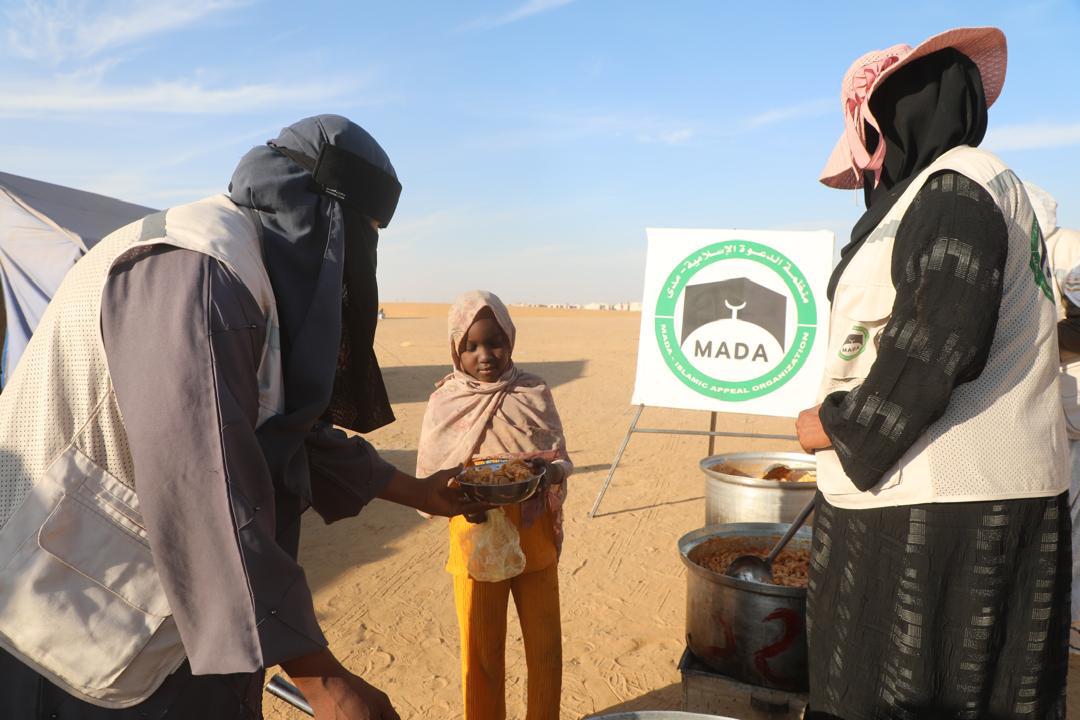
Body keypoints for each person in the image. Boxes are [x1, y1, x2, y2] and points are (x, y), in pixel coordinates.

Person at [0, 115, 488, 719]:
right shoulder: (198, 273)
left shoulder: (250, 273)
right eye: (361, 237)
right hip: (67, 620)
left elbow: (282, 431)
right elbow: (205, 489)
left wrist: (419, 491)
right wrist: (324, 683)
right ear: (322, 217)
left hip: (152, 618)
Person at [796, 28, 1071, 719]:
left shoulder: (955, 190)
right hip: (995, 497)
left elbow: (938, 342)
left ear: (898, 117)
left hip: (938, 514)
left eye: (871, 142)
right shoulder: (990, 190)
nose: (871, 167)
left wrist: (831, 426)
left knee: (902, 692)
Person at [416, 290, 571, 720]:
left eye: (495, 342)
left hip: (535, 535)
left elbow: (562, 460)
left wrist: (549, 473)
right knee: (481, 654)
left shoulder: (533, 391)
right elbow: (432, 476)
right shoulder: (446, 401)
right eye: (471, 346)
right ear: (456, 349)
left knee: (546, 650)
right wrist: (462, 498)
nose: (485, 356)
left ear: (511, 340)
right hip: (475, 536)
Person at [1026, 182, 1080, 650]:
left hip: (1072, 411)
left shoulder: (1069, 251)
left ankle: (1067, 630)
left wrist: (1028, 345)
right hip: (1055, 412)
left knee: (1070, 529)